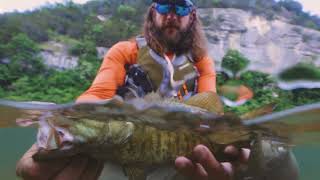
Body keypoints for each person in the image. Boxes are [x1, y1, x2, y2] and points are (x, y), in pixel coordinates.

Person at [16, 0, 250, 179]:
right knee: (34, 170)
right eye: (164, 5)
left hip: (178, 155)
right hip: (120, 152)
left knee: (255, 162)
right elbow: (96, 95)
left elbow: (211, 110)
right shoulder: (124, 50)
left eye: (180, 9)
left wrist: (230, 138)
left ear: (192, 16)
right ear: (152, 12)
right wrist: (73, 121)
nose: (171, 15)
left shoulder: (202, 62)